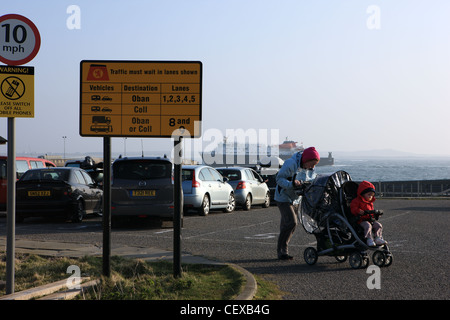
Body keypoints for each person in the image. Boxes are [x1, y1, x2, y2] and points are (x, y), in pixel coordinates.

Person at [275, 146, 320, 260]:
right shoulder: (291, 163)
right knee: (292, 222)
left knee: (288, 225)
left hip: (296, 199)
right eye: (312, 164)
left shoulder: (310, 168)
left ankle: (282, 252)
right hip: (283, 197)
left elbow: (311, 180)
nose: (313, 167)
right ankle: (282, 251)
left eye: (315, 165)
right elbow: (279, 179)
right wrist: (292, 184)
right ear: (306, 160)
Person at [350, 180, 387, 247]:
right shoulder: (356, 201)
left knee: (378, 225)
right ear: (363, 194)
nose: (370, 197)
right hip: (360, 220)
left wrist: (375, 214)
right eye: (369, 195)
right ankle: (369, 238)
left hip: (370, 219)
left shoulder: (370, 203)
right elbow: (353, 208)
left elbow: (371, 211)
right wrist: (358, 211)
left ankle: (378, 237)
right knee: (368, 226)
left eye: (372, 195)